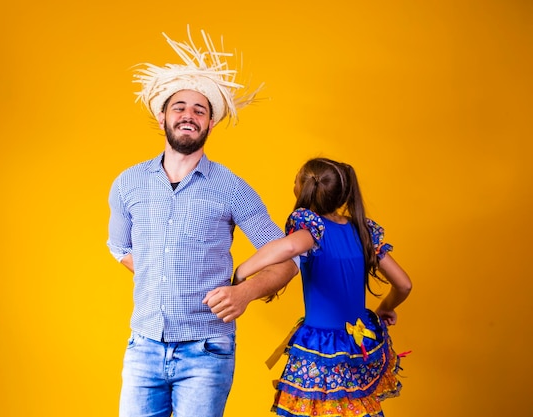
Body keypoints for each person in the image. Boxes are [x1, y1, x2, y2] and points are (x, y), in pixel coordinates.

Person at [106, 26, 299, 417]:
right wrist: (159, 272)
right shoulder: (128, 183)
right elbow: (120, 247)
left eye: (199, 110)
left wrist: (244, 293)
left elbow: (288, 259)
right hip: (143, 347)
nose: (188, 116)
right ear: (162, 118)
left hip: (206, 350)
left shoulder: (232, 188)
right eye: (179, 108)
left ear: (210, 124)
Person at [232, 157, 412, 417]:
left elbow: (290, 247)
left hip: (322, 347)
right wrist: (385, 308)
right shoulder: (362, 231)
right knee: (357, 408)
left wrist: (241, 272)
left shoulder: (311, 228)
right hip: (360, 341)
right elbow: (404, 285)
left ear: (303, 189)